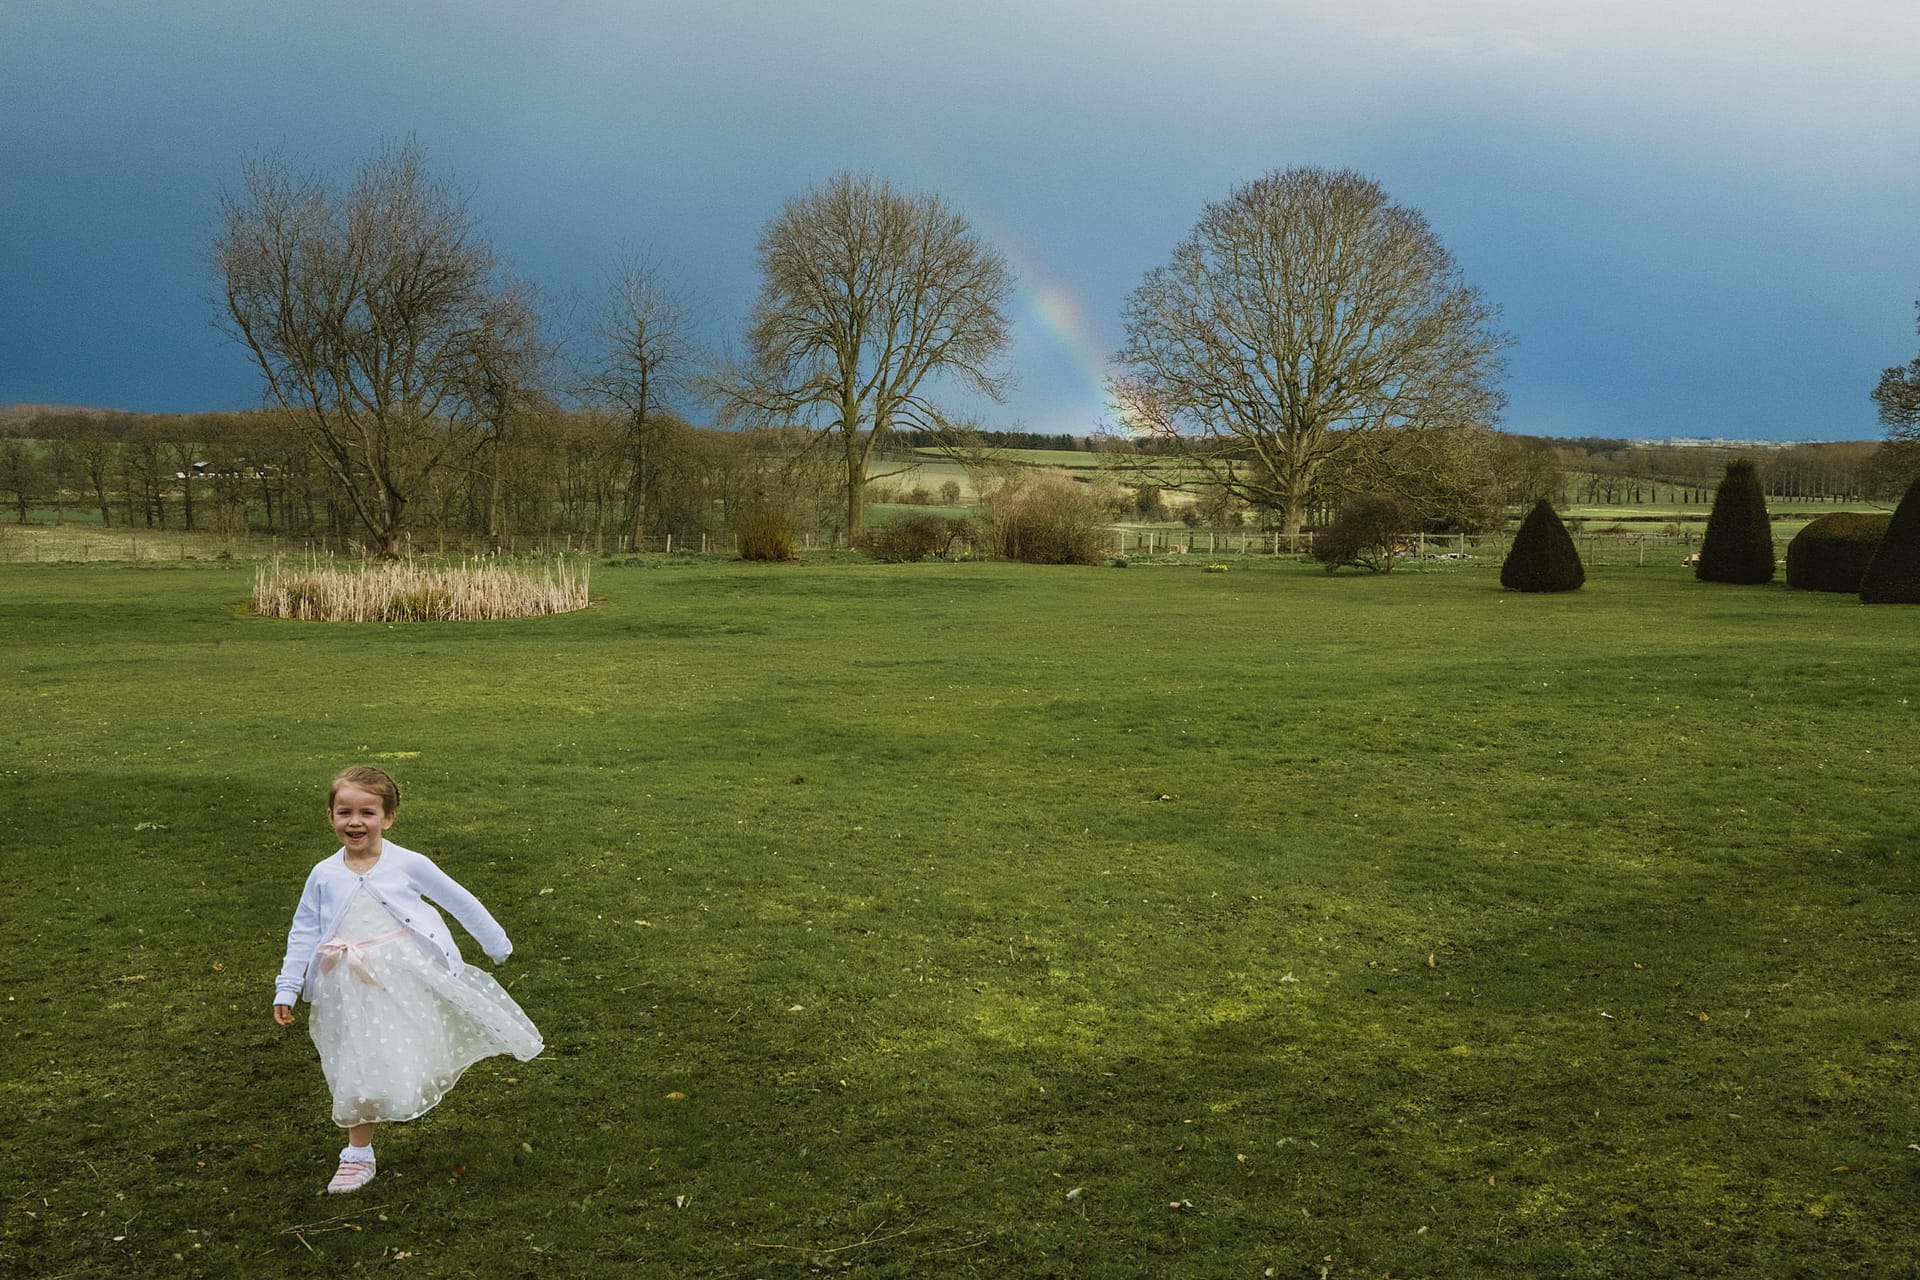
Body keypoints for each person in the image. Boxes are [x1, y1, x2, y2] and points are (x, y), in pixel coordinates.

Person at [273, 766, 542, 1194]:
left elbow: (460, 900)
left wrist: (496, 944)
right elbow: (304, 929)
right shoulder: (323, 874)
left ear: (388, 818)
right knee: (352, 1063)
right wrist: (287, 985)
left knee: (401, 1049)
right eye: (345, 812)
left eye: (367, 813)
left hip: (402, 973)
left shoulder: (408, 863)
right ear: (330, 817)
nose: (355, 822)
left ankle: (394, 1092)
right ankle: (357, 1153)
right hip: (345, 983)